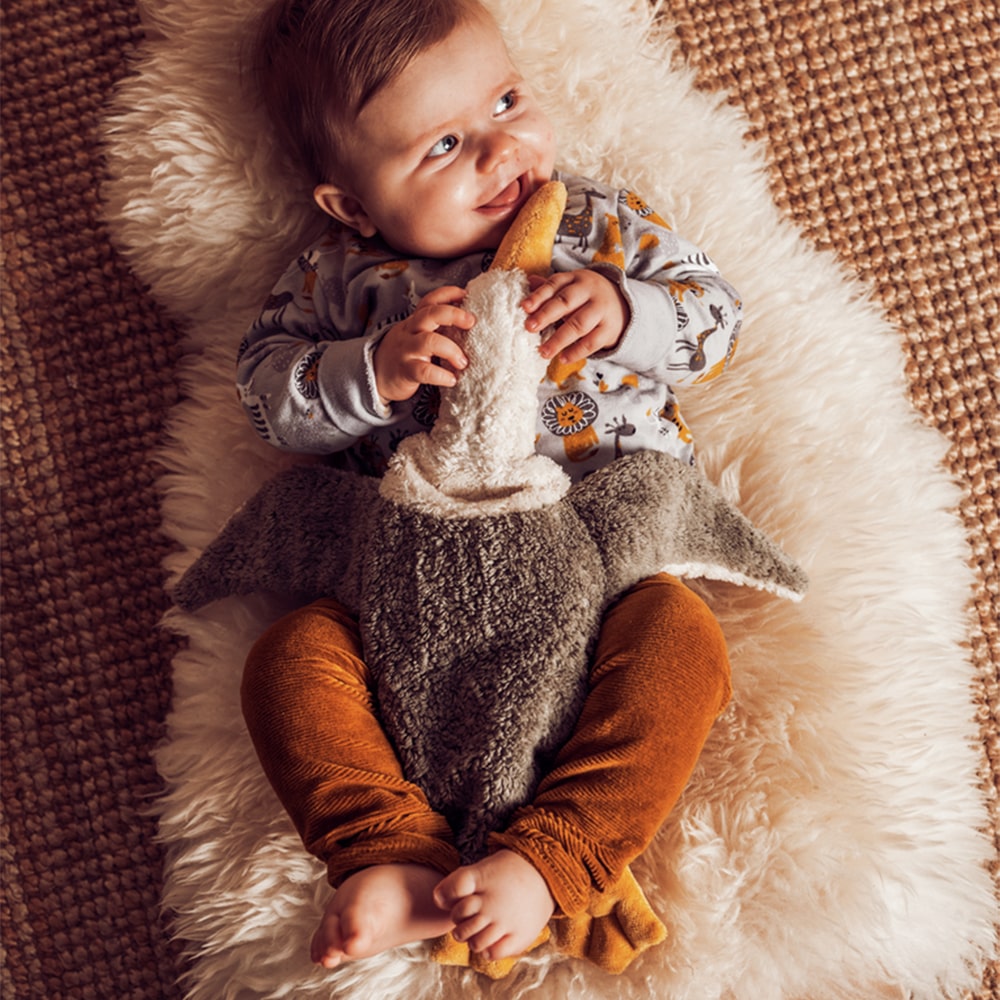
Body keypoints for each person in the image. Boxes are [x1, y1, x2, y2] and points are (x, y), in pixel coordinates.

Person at [236, 0, 738, 976]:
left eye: (506, 99)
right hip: (412, 592)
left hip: (604, 564)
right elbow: (267, 398)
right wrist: (373, 368)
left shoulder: (597, 224)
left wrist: (625, 310)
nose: (501, 148)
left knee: (684, 645)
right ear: (350, 205)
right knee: (288, 659)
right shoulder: (341, 280)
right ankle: (387, 855)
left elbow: (714, 321)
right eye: (444, 145)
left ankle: (556, 856)